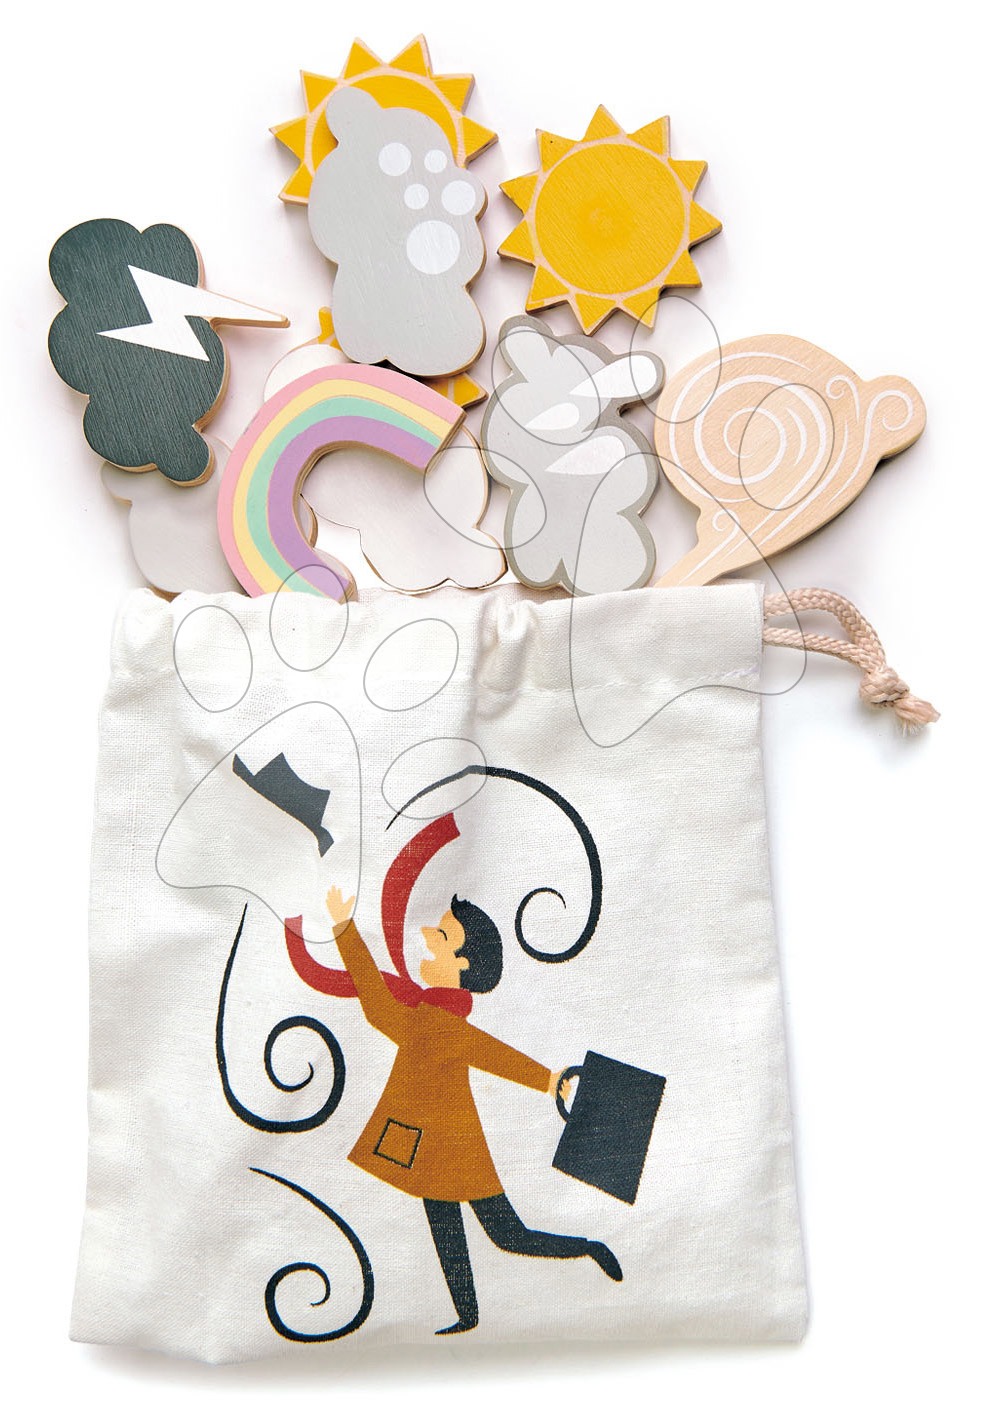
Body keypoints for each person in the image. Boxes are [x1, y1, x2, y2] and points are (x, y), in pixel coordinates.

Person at [324, 883, 622, 1335]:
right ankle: (468, 1315)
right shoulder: (426, 1017)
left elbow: (491, 1053)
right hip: (425, 1149)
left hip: (456, 1154)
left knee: (508, 1236)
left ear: (462, 965)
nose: (427, 935)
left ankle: (588, 1248)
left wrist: (547, 1079)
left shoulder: (440, 1024)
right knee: (452, 1233)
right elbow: (380, 1010)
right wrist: (344, 929)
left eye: (441, 936)